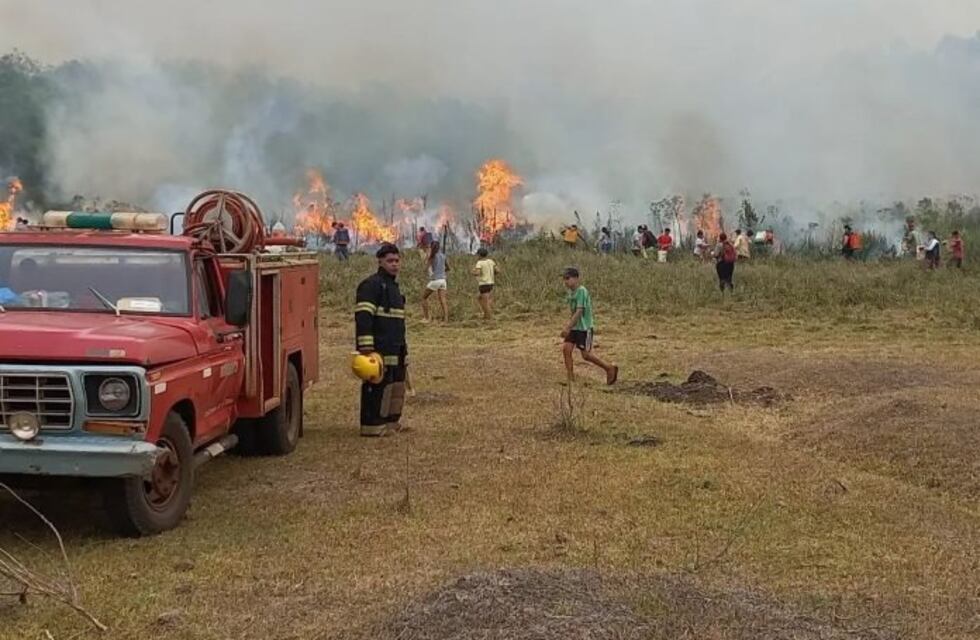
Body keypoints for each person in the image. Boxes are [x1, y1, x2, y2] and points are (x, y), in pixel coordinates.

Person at [354, 243, 409, 437]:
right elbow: (363, 317)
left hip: (396, 348)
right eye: (390, 261)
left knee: (395, 387)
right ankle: (372, 425)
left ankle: (391, 422)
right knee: (378, 387)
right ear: (380, 262)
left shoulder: (394, 288)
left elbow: (398, 323)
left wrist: (405, 350)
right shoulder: (372, 285)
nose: (394, 265)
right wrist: (366, 347)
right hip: (378, 349)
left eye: (397, 260)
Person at [560, 267, 618, 385]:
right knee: (566, 349)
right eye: (564, 279)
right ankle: (570, 379)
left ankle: (608, 368)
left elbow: (579, 311)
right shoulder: (571, 292)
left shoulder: (582, 291)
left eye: (568, 278)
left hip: (584, 328)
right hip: (575, 327)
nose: (566, 281)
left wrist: (568, 327)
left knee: (586, 355)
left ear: (576, 278)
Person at [421, 241, 449, 322]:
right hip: (443, 280)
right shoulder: (443, 256)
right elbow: (448, 268)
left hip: (435, 280)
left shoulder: (432, 257)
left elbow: (426, 268)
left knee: (423, 298)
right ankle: (446, 319)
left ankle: (426, 318)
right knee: (443, 300)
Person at [473, 247, 499, 319]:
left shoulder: (479, 263)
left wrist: (473, 272)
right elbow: (497, 271)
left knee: (485, 302)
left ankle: (489, 316)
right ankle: (486, 314)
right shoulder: (491, 261)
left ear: (479, 255)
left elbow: (477, 273)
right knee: (479, 298)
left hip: (484, 284)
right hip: (491, 283)